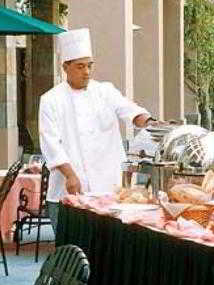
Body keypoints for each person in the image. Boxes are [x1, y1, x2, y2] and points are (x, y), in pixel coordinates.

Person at [39, 28, 154, 228]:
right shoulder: (51, 99)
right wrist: (70, 175)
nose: (86, 72)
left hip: (108, 189)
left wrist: (153, 123)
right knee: (72, 253)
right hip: (69, 191)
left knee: (106, 251)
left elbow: (131, 111)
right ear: (65, 67)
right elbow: (51, 144)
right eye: (80, 66)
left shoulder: (105, 91)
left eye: (89, 66)